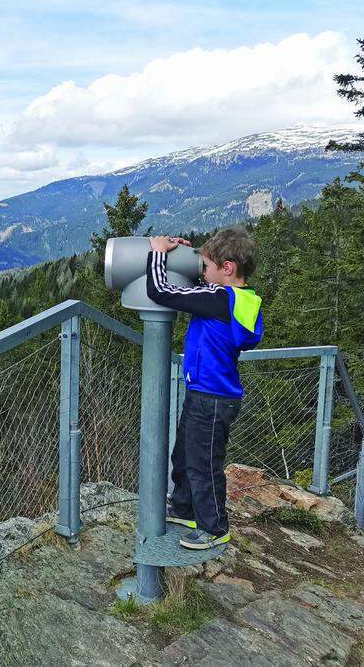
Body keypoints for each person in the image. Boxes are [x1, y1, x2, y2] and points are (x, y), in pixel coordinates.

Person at [145, 225, 263, 550]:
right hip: (207, 395)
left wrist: (157, 252)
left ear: (228, 268)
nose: (202, 271)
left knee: (203, 464)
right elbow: (203, 287)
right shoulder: (237, 299)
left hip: (211, 400)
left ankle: (214, 528)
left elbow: (161, 291)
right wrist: (186, 253)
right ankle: (184, 508)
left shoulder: (220, 300)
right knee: (183, 455)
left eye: (207, 266)